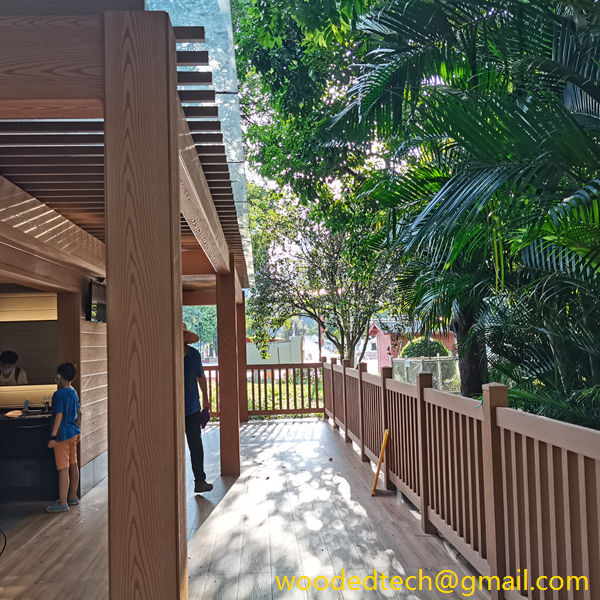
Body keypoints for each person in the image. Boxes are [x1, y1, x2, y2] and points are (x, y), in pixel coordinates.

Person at [47, 362, 81, 513]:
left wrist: (53, 436)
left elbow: (58, 416)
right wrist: (79, 430)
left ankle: (62, 503)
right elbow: (80, 413)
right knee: (73, 464)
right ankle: (72, 496)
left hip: (62, 435)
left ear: (59, 376)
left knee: (63, 468)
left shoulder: (58, 395)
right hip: (74, 432)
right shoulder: (73, 391)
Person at [183, 322, 213, 494]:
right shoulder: (168, 352)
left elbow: (201, 378)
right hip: (171, 410)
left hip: (192, 408)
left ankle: (200, 481)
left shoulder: (194, 355)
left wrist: (207, 400)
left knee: (196, 445)